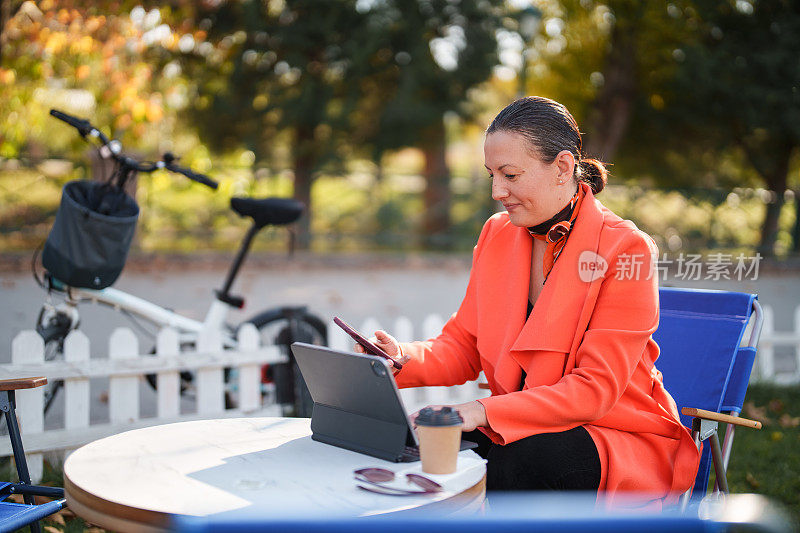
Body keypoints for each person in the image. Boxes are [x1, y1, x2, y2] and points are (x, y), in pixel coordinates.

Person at [358, 96, 700, 507]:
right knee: (414, 440)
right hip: (517, 425)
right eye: (491, 174)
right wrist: (403, 357)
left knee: (523, 458)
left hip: (616, 437)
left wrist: (482, 410)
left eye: (510, 175)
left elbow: (594, 392)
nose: (497, 191)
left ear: (562, 168)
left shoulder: (627, 248)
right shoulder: (497, 233)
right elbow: (465, 343)